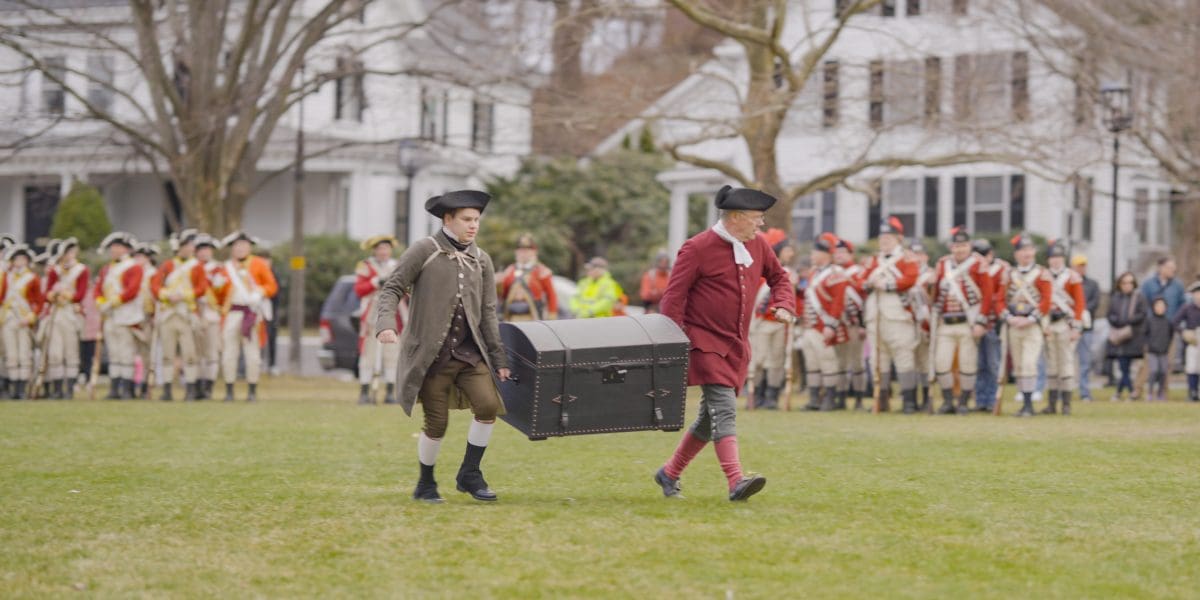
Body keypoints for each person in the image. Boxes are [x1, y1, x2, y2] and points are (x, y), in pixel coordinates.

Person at [653, 185, 792, 502]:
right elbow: (673, 299)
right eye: (757, 218)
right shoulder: (697, 247)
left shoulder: (758, 246)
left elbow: (780, 278)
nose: (761, 225)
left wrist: (783, 304)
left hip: (736, 345)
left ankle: (669, 473)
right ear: (736, 217)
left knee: (708, 419)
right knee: (725, 410)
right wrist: (674, 344)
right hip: (703, 342)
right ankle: (735, 480)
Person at [373, 190, 511, 503]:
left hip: (470, 354)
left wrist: (498, 357)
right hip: (432, 357)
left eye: (476, 219)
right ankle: (425, 483)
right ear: (448, 219)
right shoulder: (425, 249)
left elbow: (489, 311)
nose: (473, 225)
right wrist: (384, 324)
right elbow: (392, 288)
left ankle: (469, 473)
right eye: (466, 219)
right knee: (437, 423)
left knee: (489, 406)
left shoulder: (482, 259)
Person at [858, 217, 921, 412]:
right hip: (875, 315)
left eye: (889, 237)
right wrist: (869, 282)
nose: (884, 241)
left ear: (898, 239)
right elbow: (861, 280)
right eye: (882, 237)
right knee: (878, 358)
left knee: (903, 356)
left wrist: (886, 285)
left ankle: (909, 401)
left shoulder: (907, 258)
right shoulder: (874, 260)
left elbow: (910, 279)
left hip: (897, 315)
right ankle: (881, 399)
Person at [931, 227, 994, 415]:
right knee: (941, 363)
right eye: (957, 246)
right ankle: (948, 401)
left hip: (968, 321)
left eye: (964, 245)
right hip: (946, 322)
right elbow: (935, 293)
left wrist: (981, 322)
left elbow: (987, 295)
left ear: (969, 246)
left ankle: (964, 402)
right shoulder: (943, 264)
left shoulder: (978, 264)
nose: (960, 250)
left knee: (968, 364)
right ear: (951, 247)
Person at [213, 231, 278, 403]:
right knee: (229, 353)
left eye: (244, 245)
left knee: (252, 354)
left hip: (252, 313)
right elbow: (217, 297)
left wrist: (260, 292)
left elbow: (271, 286)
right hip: (232, 313)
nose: (241, 249)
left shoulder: (258, 264)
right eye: (237, 246)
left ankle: (252, 390)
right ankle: (229, 390)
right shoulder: (225, 268)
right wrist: (217, 286)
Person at [150, 230, 209, 401]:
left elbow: (202, 288)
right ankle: (167, 389)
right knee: (167, 353)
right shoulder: (167, 266)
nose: (191, 248)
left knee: (190, 353)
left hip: (187, 313)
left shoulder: (196, 266)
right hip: (169, 313)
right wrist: (166, 295)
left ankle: (190, 388)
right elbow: (155, 286)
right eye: (188, 245)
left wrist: (184, 295)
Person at [1000, 234, 1053, 417]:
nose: (1027, 254)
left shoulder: (1041, 273)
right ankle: (1024, 402)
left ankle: (1029, 404)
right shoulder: (1009, 275)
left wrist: (1030, 319)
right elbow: (1000, 300)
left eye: (1029, 250)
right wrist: (1009, 318)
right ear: (1016, 254)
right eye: (1023, 250)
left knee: (1029, 363)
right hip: (1014, 323)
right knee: (1019, 366)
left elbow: (1046, 300)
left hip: (1032, 324)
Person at [798, 233, 847, 412]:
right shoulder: (813, 273)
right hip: (810, 325)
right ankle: (814, 399)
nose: (812, 255)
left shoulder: (836, 274)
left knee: (827, 362)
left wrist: (831, 325)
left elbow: (838, 301)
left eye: (815, 252)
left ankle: (830, 398)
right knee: (812, 363)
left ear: (825, 254)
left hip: (823, 325)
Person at [95, 232, 145, 400]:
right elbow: (99, 289)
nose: (114, 250)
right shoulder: (107, 269)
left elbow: (132, 290)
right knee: (114, 353)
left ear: (126, 249)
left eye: (117, 247)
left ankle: (127, 388)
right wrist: (101, 302)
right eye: (113, 247)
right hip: (110, 316)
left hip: (126, 315)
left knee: (126, 353)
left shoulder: (134, 267)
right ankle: (114, 388)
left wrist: (113, 301)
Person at [354, 234, 403, 405]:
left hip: (393, 315)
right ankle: (364, 391)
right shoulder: (366, 266)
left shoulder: (397, 265)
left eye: (386, 248)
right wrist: (375, 282)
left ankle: (390, 391)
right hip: (372, 317)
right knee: (368, 355)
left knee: (392, 354)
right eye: (380, 249)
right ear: (375, 251)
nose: (383, 252)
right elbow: (359, 290)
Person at [751, 240, 798, 410]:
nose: (790, 254)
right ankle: (757, 394)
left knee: (776, 360)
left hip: (780, 323)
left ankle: (772, 396)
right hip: (763, 321)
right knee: (759, 359)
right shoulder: (765, 270)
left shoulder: (792, 273)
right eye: (787, 250)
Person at [1041, 240, 1086, 415]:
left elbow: (1080, 303)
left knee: (1066, 363)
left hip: (1065, 323)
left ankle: (1066, 404)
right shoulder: (1044, 276)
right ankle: (1052, 404)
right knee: (1052, 364)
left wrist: (1076, 326)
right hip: (1049, 324)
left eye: (1058, 257)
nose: (1056, 260)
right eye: (1052, 257)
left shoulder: (1071, 277)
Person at [43, 238, 89, 399]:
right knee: (55, 352)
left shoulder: (81, 270)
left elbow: (80, 294)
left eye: (72, 252)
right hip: (56, 313)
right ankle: (57, 389)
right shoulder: (55, 270)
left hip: (71, 313)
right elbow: (47, 293)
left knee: (71, 352)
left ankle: (69, 389)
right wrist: (54, 295)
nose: (69, 256)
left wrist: (66, 296)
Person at [1, 244, 43, 399]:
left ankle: (22, 388)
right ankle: (13, 388)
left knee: (24, 354)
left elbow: (39, 301)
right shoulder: (7, 276)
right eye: (17, 259)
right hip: (9, 318)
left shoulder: (32, 278)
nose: (20, 261)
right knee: (11, 354)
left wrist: (31, 317)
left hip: (24, 318)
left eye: (22, 259)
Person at [974, 241, 1008, 412]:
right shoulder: (974, 268)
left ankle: (993, 399)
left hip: (994, 322)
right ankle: (981, 400)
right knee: (979, 364)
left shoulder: (1002, 269)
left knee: (994, 364)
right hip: (978, 320)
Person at [835, 239, 867, 410]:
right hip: (838, 323)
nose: (839, 255)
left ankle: (859, 399)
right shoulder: (832, 273)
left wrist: (863, 325)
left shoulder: (858, 273)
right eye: (837, 252)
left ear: (850, 254)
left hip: (855, 323)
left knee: (857, 362)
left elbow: (864, 300)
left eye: (843, 252)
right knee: (840, 362)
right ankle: (840, 398)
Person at [497, 233, 557, 322]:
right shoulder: (509, 270)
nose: (523, 253)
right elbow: (503, 295)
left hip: (532, 317)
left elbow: (551, 295)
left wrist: (552, 315)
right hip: (512, 317)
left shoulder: (541, 271)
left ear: (534, 252)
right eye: (520, 250)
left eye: (526, 250)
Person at [1107, 271, 1147, 401]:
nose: (1127, 285)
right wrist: (1117, 321)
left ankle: (1125, 392)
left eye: (1130, 282)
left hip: (1133, 337)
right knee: (1123, 367)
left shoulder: (1139, 297)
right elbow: (1110, 314)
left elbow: (1142, 314)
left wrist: (1129, 321)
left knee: (1130, 368)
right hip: (1119, 337)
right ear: (1120, 284)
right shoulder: (1115, 298)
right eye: (1124, 282)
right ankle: (1130, 392)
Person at [193, 234, 222, 399]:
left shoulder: (218, 269)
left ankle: (208, 387)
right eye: (201, 250)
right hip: (194, 313)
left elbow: (222, 293)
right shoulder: (191, 268)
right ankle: (196, 385)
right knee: (196, 353)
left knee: (211, 352)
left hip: (211, 314)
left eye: (207, 249)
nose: (204, 253)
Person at [132, 243, 160, 399]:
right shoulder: (132, 272)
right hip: (132, 316)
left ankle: (145, 384)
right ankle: (131, 383)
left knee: (147, 352)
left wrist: (155, 315)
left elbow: (156, 297)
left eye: (140, 257)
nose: (137, 259)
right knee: (132, 352)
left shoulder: (153, 274)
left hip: (147, 316)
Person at [1072, 255, 1100, 401]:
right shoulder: (1068, 282)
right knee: (1068, 362)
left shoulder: (1092, 285)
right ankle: (1066, 390)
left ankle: (1084, 391)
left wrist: (1081, 311)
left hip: (1086, 327)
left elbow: (1094, 303)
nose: (1080, 268)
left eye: (1083, 265)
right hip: (1070, 327)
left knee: (1085, 362)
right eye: (1078, 265)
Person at [1171, 282, 1200, 402]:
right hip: (1193, 340)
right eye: (1197, 294)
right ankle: (1192, 392)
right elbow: (1175, 322)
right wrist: (1184, 332)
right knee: (1192, 367)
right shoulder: (1187, 308)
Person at [1144, 298, 1173, 402]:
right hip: (1152, 351)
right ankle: (1150, 393)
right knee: (1154, 371)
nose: (1160, 308)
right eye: (1158, 305)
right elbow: (1145, 335)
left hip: (1164, 351)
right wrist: (1149, 346)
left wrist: (1166, 346)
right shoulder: (1149, 321)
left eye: (1162, 306)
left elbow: (1170, 335)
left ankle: (1160, 393)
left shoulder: (1168, 322)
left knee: (1163, 372)